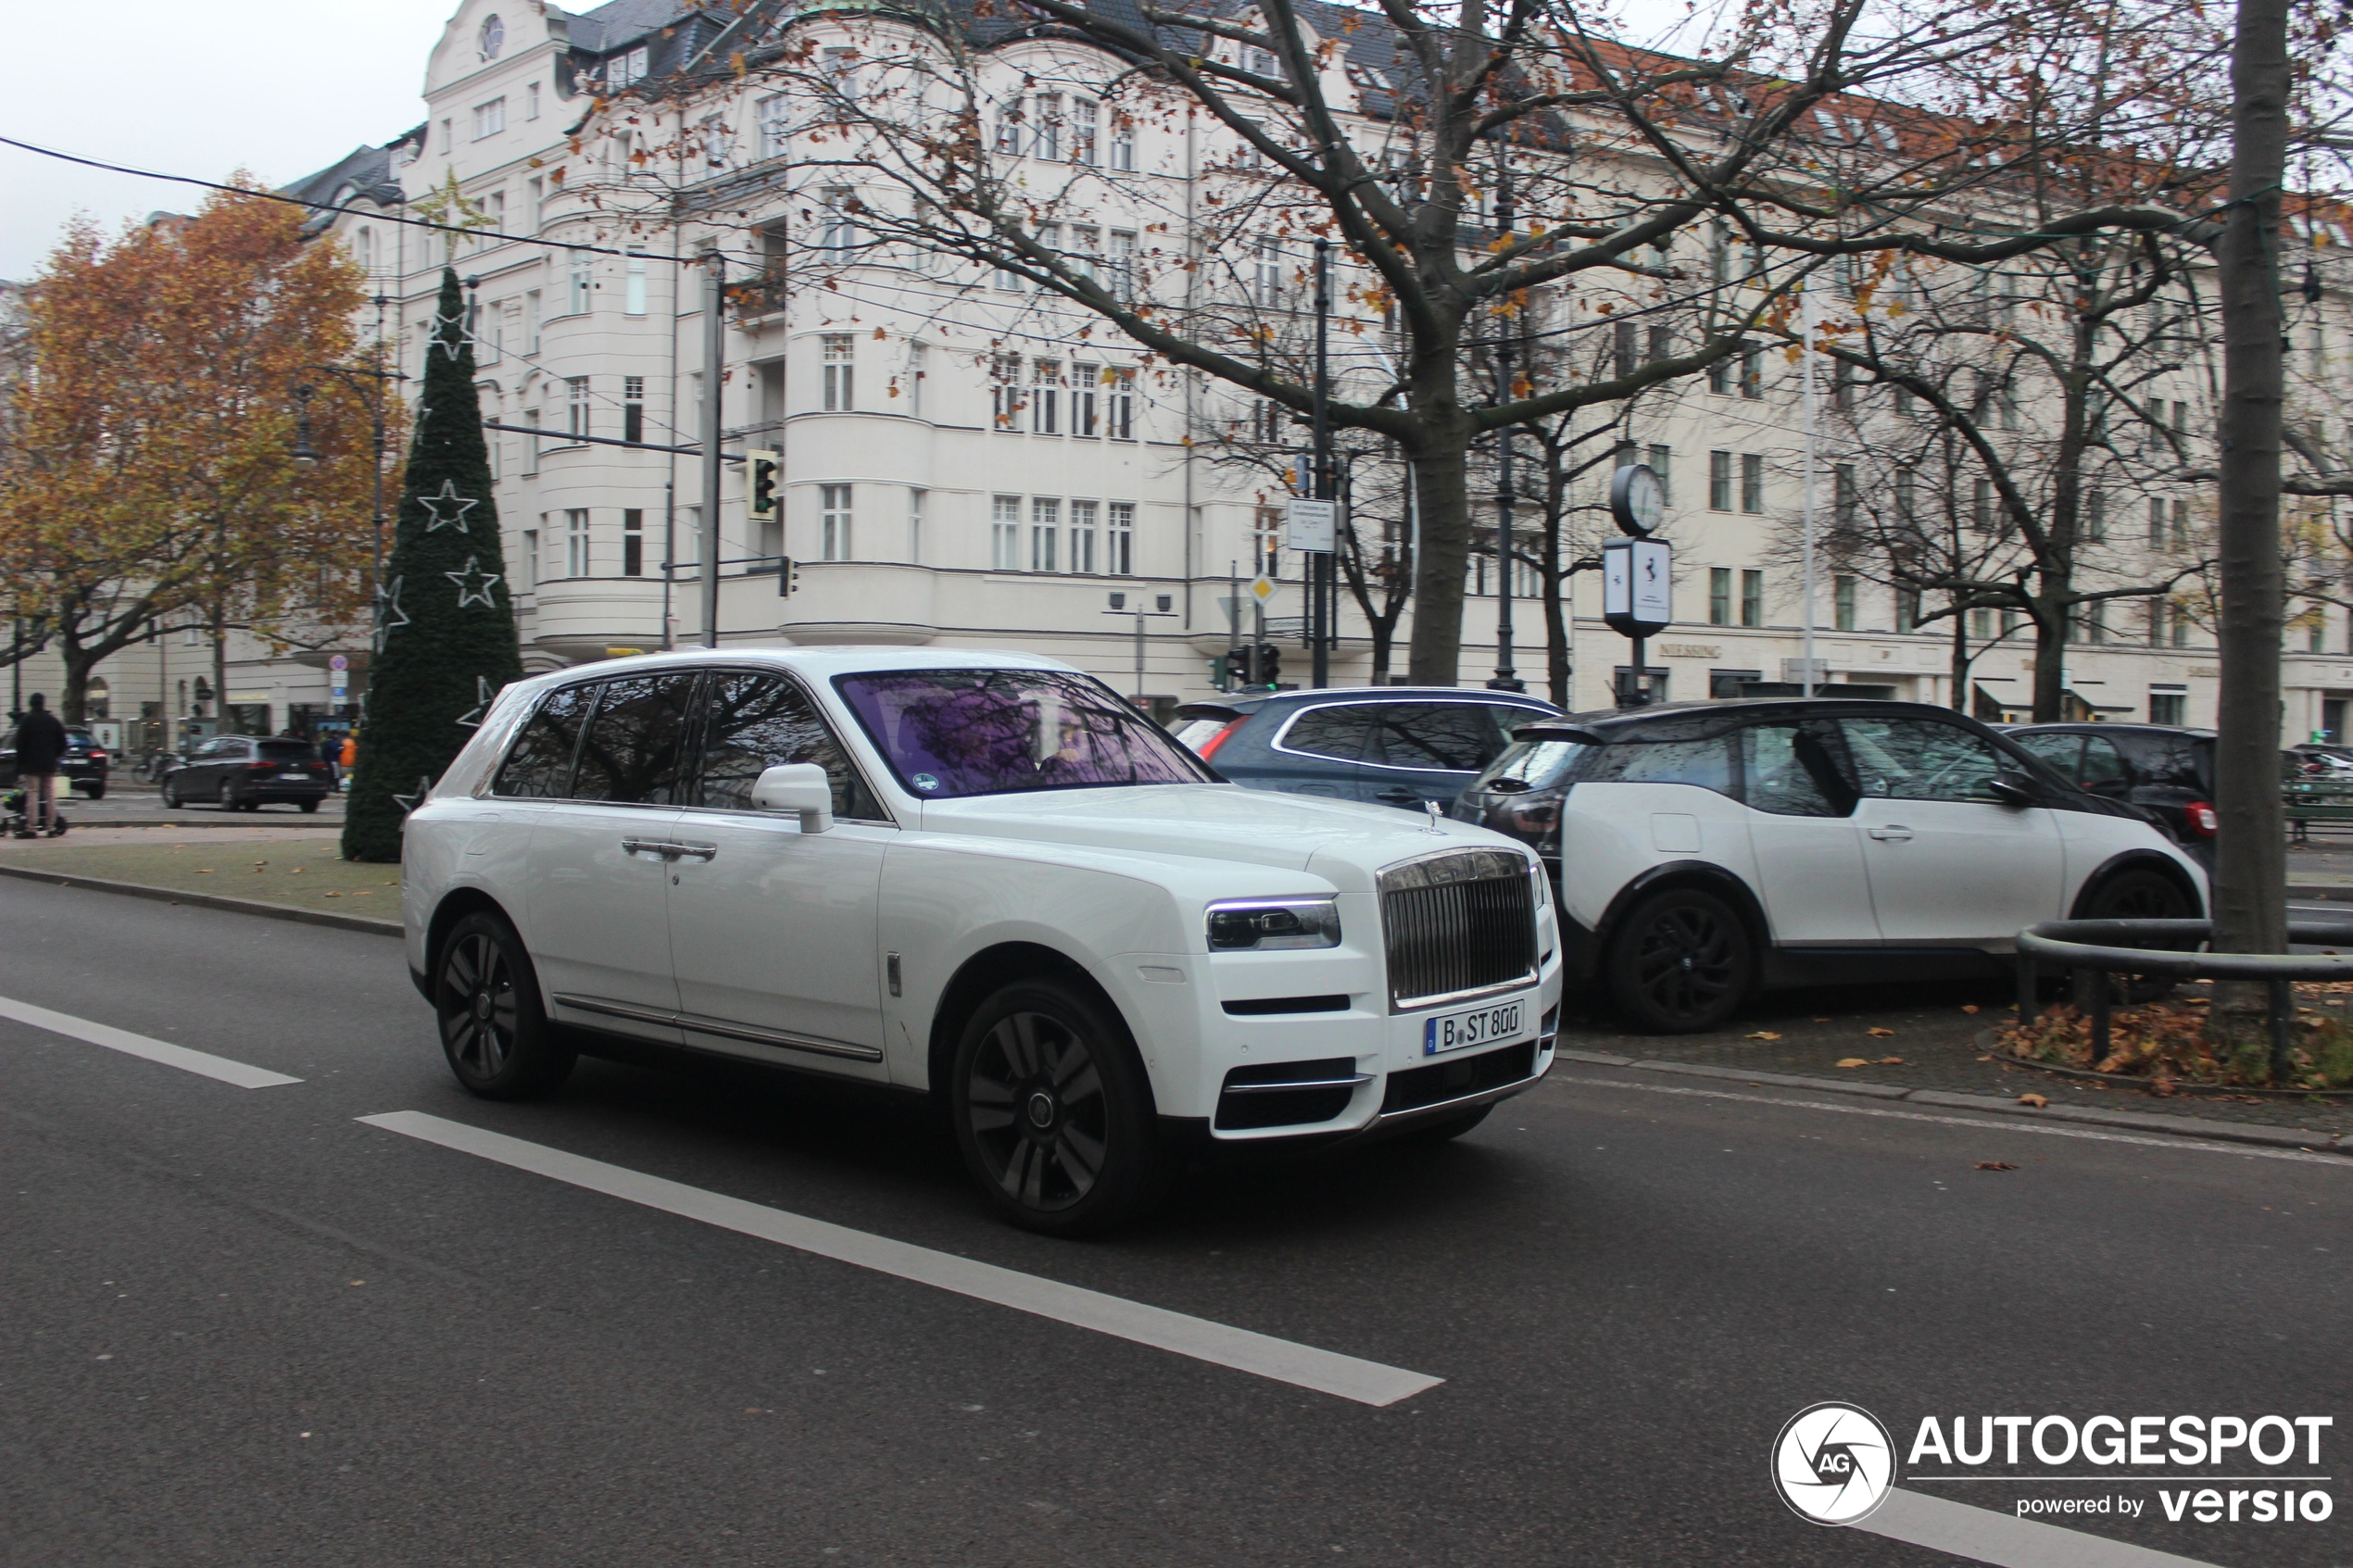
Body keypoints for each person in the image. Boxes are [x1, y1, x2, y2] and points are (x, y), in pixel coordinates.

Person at [13, 693, 68, 838]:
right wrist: (54, 755)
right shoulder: (53, 721)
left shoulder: (27, 721)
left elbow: (19, 743)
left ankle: (31, 827)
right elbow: (63, 743)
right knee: (49, 794)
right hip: (49, 764)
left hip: (31, 765)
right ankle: (51, 827)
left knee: (32, 793)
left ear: (31, 704)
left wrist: (21, 762)